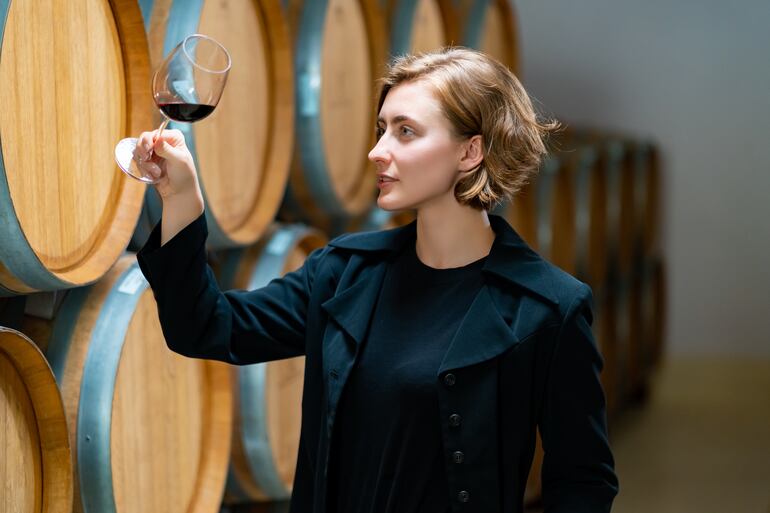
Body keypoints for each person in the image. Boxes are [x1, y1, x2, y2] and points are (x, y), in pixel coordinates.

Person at [134, 47, 619, 513]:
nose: (376, 151)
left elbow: (582, 481)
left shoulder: (548, 308)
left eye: (406, 132)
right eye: (382, 128)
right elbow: (206, 327)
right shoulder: (343, 273)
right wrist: (182, 201)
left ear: (470, 152)